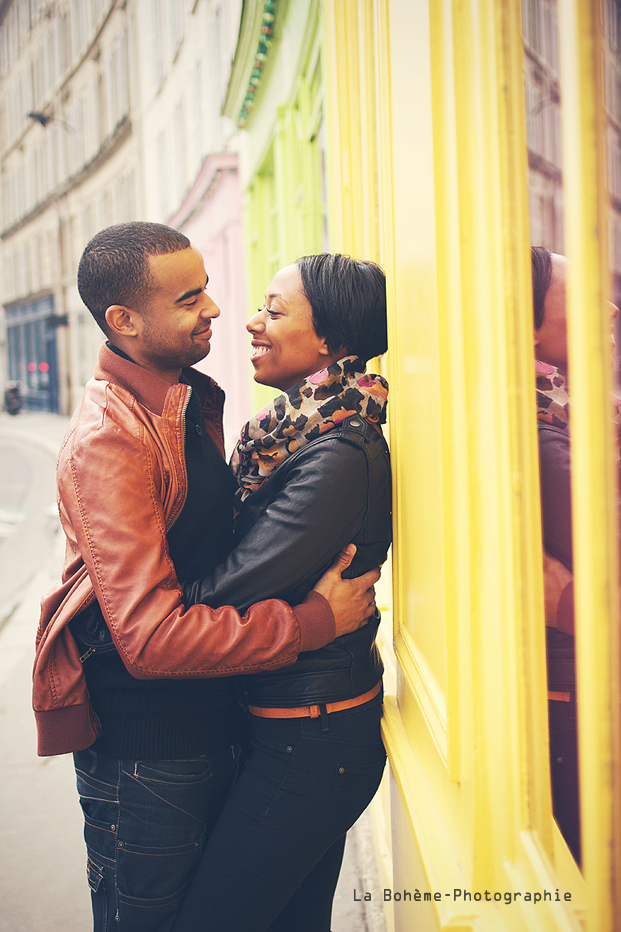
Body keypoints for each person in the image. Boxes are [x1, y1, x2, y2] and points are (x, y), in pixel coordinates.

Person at [32, 223, 380, 932]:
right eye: (191, 297)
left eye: (210, 291)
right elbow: (152, 638)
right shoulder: (111, 438)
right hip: (149, 754)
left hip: (220, 723)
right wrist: (316, 621)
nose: (219, 311)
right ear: (125, 322)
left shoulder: (191, 404)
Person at [171, 254, 391, 932]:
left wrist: (134, 595)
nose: (249, 322)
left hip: (312, 742)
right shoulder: (295, 431)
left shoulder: (336, 453)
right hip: (292, 728)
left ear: (329, 340)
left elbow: (218, 598)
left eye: (273, 310)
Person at [532, 244, 619, 864]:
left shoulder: (576, 419)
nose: (611, 308)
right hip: (579, 707)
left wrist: (572, 605)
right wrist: (574, 612)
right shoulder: (545, 440)